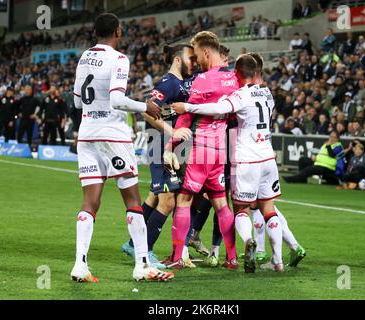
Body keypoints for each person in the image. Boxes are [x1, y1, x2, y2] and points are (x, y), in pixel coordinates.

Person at [173, 54, 304, 272]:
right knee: (269, 209)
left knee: (241, 209)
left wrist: (187, 107)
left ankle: (247, 241)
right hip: (269, 158)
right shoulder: (268, 93)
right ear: (258, 73)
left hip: (247, 159)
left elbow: (217, 109)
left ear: (236, 74)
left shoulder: (241, 95)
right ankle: (278, 262)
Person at [70, 13, 173, 283]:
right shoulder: (119, 58)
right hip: (113, 136)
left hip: (88, 133)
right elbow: (116, 99)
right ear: (117, 31)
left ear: (94, 33)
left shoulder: (84, 57)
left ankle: (80, 265)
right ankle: (142, 265)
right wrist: (145, 106)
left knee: (90, 202)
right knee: (132, 200)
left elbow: (78, 102)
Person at [164, 31, 239, 269]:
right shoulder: (234, 79)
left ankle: (177, 258)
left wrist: (170, 145)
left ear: (206, 52)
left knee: (184, 201)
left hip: (202, 149)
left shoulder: (202, 80)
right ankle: (233, 258)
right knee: (221, 204)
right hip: (221, 150)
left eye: (197, 55)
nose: (196, 62)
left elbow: (186, 116)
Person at [121, 43, 197, 269]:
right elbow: (147, 109)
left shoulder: (181, 83)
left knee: (155, 196)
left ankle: (132, 242)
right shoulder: (169, 83)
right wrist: (171, 131)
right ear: (177, 60)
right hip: (159, 145)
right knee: (168, 201)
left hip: (170, 148)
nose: (193, 62)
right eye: (189, 58)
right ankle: (144, 247)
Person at [0, 87, 17, 152]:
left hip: (8, 120)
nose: (10, 92)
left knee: (7, 134)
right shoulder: (2, 98)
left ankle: (5, 148)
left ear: (12, 93)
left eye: (11, 91)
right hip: (1, 119)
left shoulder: (14, 100)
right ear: (7, 91)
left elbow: (14, 112)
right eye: (9, 91)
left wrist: (12, 120)